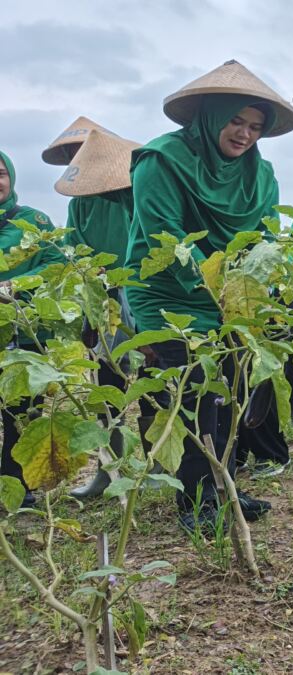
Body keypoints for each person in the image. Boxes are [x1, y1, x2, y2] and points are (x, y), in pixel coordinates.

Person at [125, 59, 293, 530]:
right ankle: (197, 500)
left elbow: (264, 243)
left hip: (229, 296)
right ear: (210, 115)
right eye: (236, 121)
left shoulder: (260, 177)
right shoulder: (161, 161)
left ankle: (226, 487)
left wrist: (261, 294)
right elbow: (168, 241)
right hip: (168, 292)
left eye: (255, 127)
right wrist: (222, 291)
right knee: (193, 394)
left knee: (228, 391)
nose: (244, 134)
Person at [43, 124, 142, 499]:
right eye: (72, 155)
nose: (78, 160)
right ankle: (109, 470)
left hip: (142, 295)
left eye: (83, 151)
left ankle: (159, 465)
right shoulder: (78, 204)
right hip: (102, 302)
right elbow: (77, 255)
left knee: (157, 384)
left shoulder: (133, 193)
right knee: (107, 387)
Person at [0, 150, 67, 509]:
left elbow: (56, 264)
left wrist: (13, 286)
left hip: (26, 331)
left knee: (21, 413)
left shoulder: (33, 221)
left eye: (0, 174)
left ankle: (17, 488)